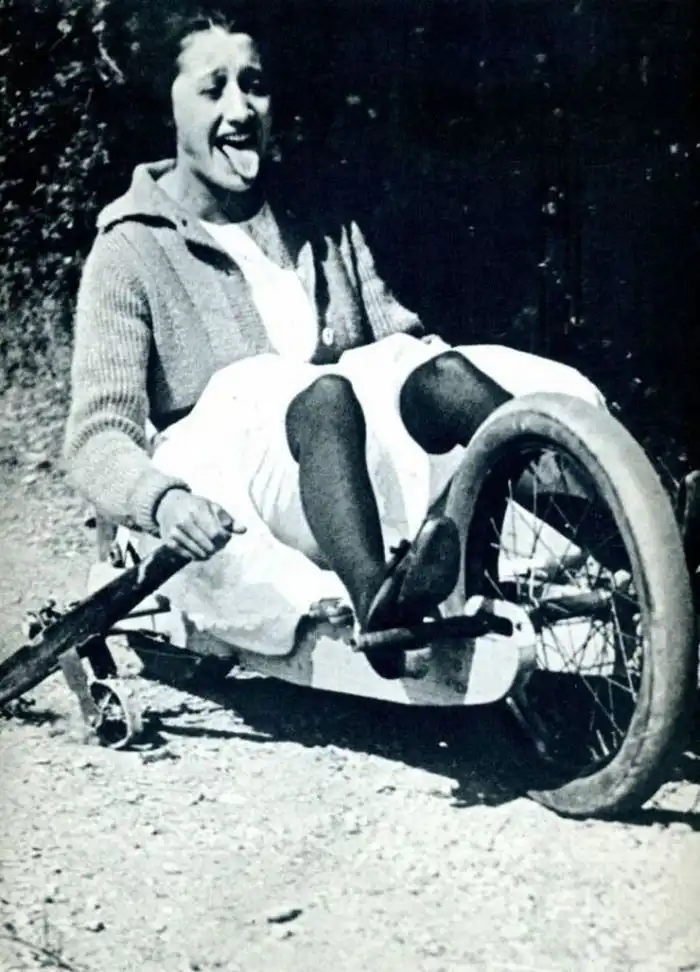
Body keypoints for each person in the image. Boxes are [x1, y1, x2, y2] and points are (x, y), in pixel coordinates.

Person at [63, 3, 612, 673]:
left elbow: (397, 346)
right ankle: (377, 608)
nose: (240, 110)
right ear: (165, 106)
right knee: (314, 392)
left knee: (441, 375)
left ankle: (632, 541)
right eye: (213, 90)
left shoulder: (314, 215)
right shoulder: (130, 248)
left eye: (254, 85)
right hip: (239, 501)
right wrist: (164, 500)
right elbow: (97, 437)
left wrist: (437, 381)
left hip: (355, 475)